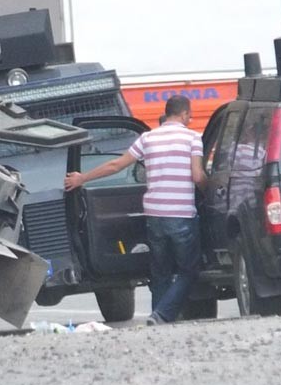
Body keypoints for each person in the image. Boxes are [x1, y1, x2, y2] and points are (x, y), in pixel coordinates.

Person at [64, 95, 207, 325]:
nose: (189, 120)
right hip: (181, 214)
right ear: (183, 114)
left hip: (155, 215)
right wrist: (208, 190)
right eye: (189, 116)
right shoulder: (193, 138)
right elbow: (198, 175)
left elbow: (116, 165)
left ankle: (157, 321)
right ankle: (162, 315)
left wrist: (83, 178)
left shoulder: (147, 138)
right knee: (188, 271)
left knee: (159, 272)